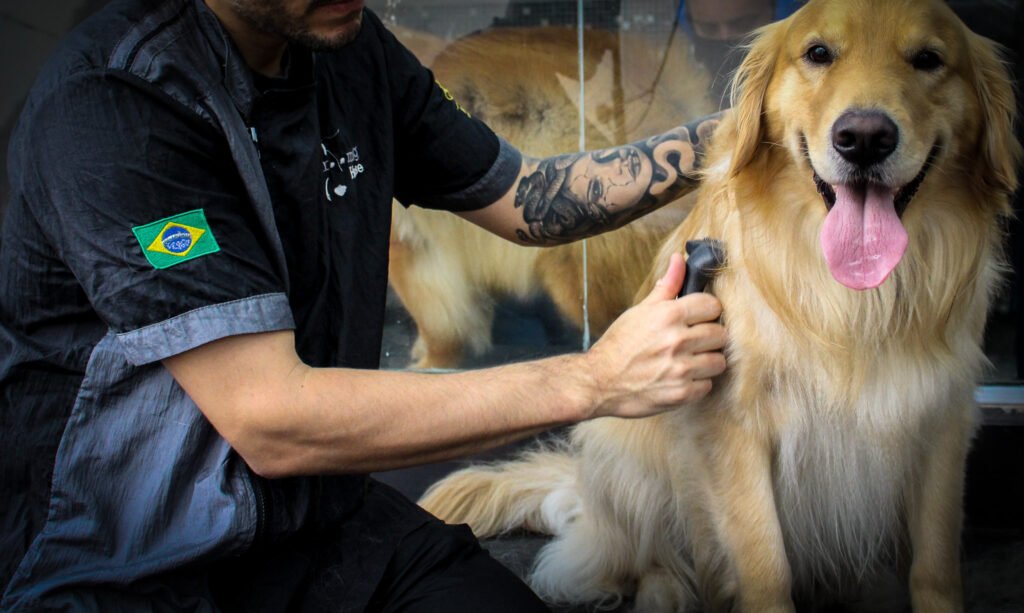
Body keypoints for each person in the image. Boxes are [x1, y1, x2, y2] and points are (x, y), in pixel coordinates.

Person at [0, 0, 726, 610]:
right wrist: (595, 379)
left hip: (317, 523)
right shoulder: (115, 105)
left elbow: (523, 196)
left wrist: (722, 138)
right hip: (130, 559)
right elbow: (272, 419)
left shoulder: (346, 48)